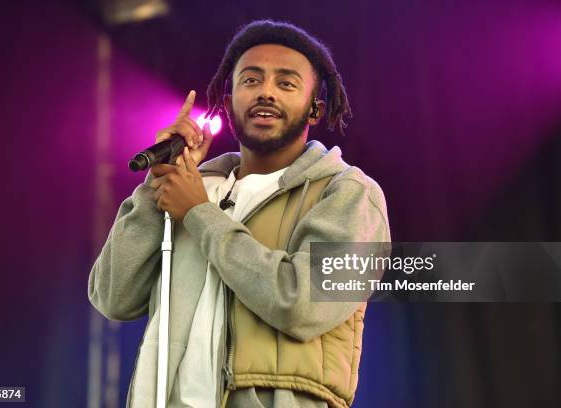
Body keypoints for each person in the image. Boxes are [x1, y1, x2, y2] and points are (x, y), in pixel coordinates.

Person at [88, 20, 391, 408]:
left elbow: (301, 305)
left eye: (286, 83)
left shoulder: (350, 195)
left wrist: (199, 213)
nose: (265, 92)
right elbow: (112, 296)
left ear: (315, 108)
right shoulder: (194, 187)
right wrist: (156, 184)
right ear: (228, 103)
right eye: (251, 80)